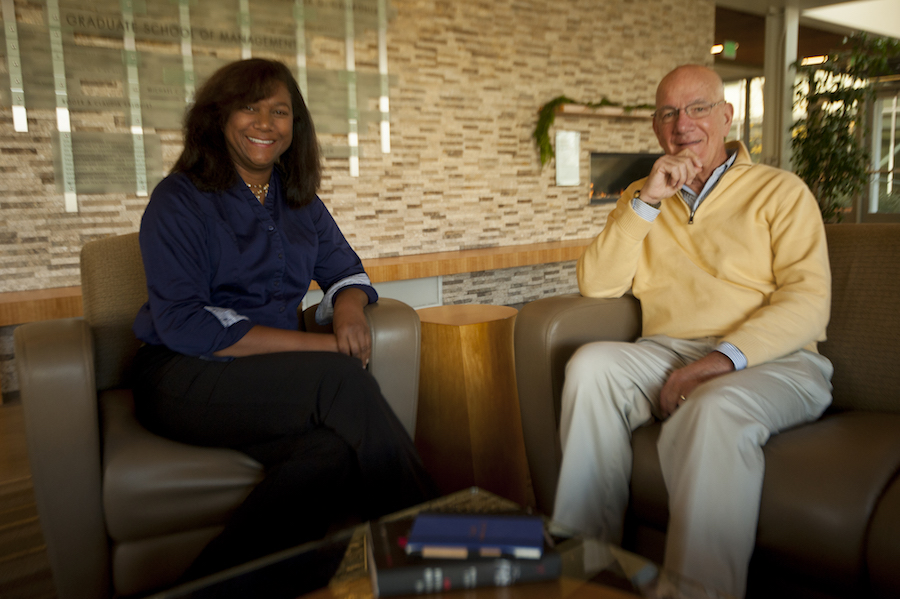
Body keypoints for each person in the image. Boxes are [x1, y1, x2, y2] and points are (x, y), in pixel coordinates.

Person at [131, 58, 436, 578]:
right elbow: (186, 322)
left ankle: (207, 589)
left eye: (280, 111)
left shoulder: (299, 202)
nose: (265, 123)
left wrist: (347, 311)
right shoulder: (179, 199)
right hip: (183, 374)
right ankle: (442, 544)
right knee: (340, 381)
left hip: (265, 381)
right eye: (249, 108)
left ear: (296, 127)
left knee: (332, 453)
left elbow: (346, 270)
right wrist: (321, 349)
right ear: (219, 117)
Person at [552, 64, 833, 598]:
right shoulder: (643, 194)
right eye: (668, 113)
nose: (683, 124)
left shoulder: (781, 191)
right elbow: (598, 283)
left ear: (726, 117)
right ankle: (588, 571)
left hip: (778, 359)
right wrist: (647, 202)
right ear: (657, 129)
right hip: (668, 349)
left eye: (698, 108)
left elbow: (809, 303)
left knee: (713, 407)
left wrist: (718, 361)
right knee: (589, 366)